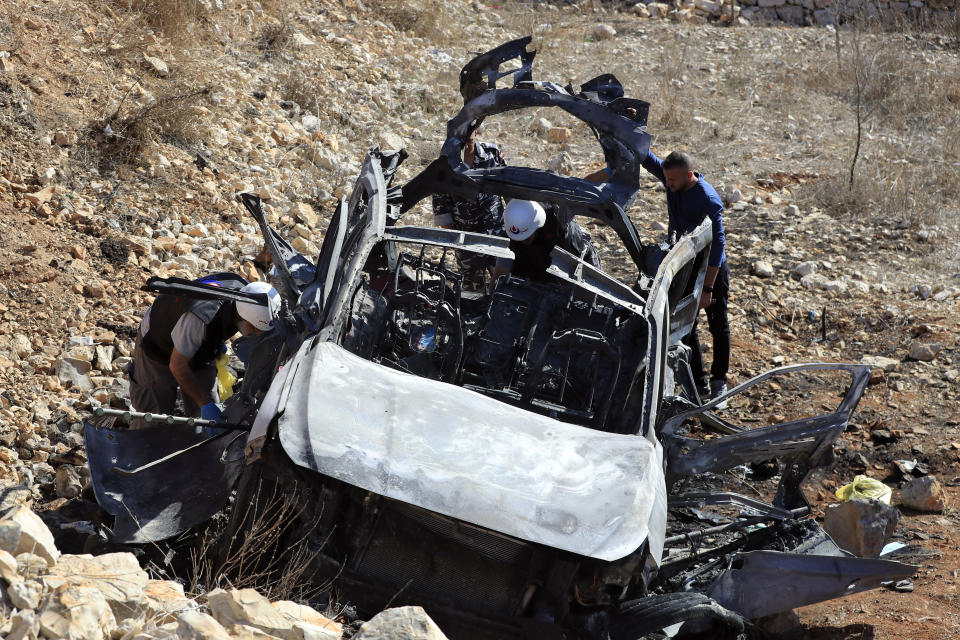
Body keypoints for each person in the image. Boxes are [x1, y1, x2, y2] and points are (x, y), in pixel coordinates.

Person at [128, 273, 280, 428]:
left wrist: (214, 340)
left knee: (209, 420)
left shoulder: (250, 297)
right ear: (239, 315)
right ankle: (140, 446)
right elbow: (177, 365)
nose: (258, 333)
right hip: (159, 341)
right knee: (154, 414)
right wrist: (205, 404)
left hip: (201, 344)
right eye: (254, 328)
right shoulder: (201, 317)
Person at [643, 149, 730, 404]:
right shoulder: (673, 178)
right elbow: (646, 157)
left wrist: (708, 289)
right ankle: (698, 384)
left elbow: (718, 245)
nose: (667, 185)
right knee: (684, 325)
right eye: (666, 180)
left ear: (689, 175)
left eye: (672, 182)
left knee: (717, 325)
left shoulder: (707, 198)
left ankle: (719, 383)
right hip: (685, 265)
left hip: (711, 269)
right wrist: (627, 128)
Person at [432, 128, 506, 288]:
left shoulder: (491, 154)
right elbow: (442, 209)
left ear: (477, 131)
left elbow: (508, 187)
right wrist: (458, 245)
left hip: (497, 236)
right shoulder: (446, 165)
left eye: (470, 131)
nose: (465, 137)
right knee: (471, 291)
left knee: (504, 287)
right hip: (468, 242)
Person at [493, 199, 601, 280]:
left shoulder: (557, 222)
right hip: (538, 269)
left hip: (575, 259)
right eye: (519, 239)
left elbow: (577, 197)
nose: (522, 241)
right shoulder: (512, 232)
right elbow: (499, 274)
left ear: (537, 226)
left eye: (527, 238)